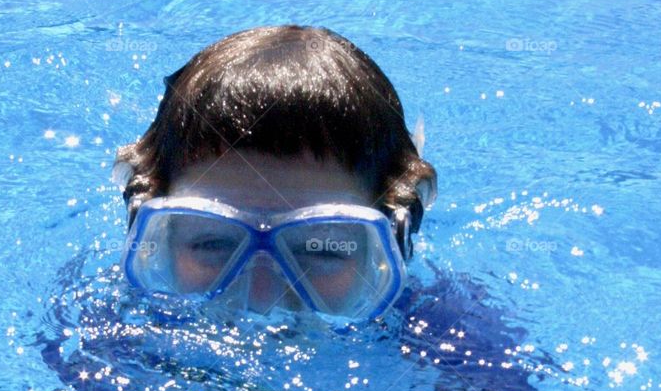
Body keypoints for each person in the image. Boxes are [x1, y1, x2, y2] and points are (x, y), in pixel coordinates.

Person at [113, 24, 438, 325]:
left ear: (394, 238)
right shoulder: (105, 340)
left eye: (319, 250)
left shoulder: (446, 359)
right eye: (214, 244)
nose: (262, 306)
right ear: (154, 235)